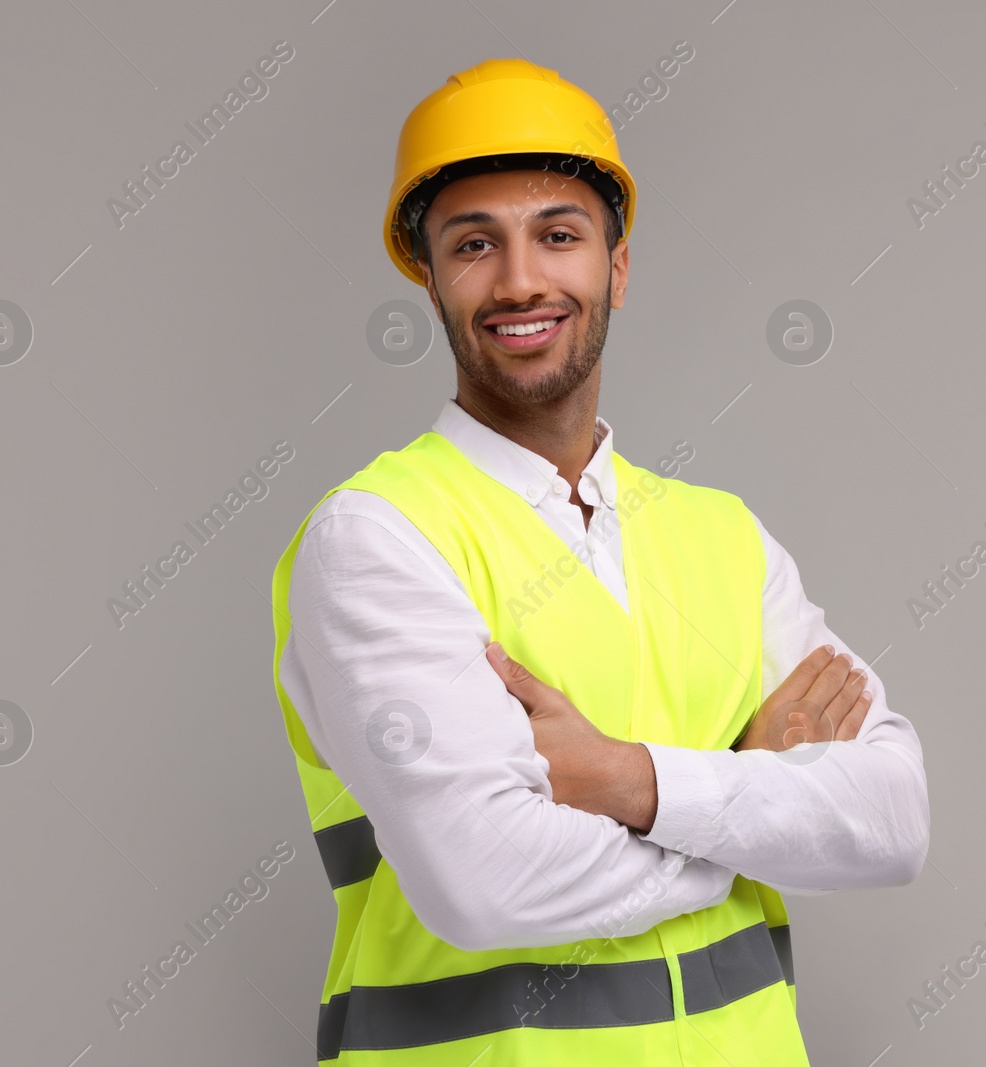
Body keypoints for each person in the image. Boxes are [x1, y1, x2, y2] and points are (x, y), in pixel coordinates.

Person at [268, 57, 931, 1066]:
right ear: (431, 277)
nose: (521, 279)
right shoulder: (378, 535)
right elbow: (484, 879)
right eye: (474, 243)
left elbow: (891, 821)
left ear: (616, 267)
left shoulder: (723, 535)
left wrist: (629, 781)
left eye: (559, 235)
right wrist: (746, 797)